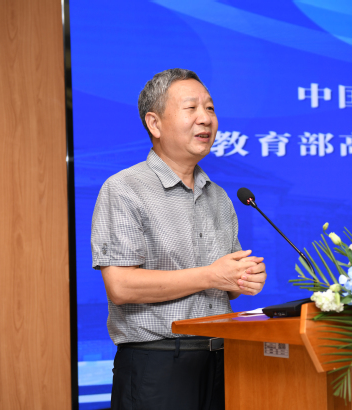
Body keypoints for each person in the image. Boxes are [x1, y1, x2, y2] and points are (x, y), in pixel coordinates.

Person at [91, 68, 267, 410]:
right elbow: (121, 286)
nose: (206, 118)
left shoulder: (219, 197)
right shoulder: (124, 189)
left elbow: (226, 285)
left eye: (210, 108)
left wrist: (243, 278)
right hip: (157, 367)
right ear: (154, 124)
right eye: (192, 108)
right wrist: (212, 275)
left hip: (223, 361)